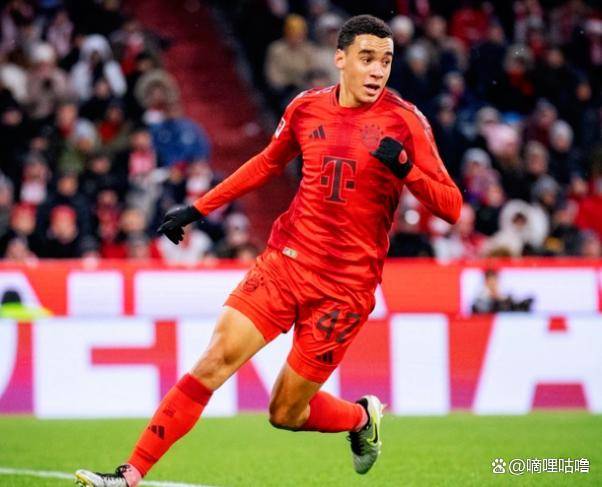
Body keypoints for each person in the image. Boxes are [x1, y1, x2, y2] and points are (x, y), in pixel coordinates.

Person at [75, 15, 462, 487]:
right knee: (214, 360)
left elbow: (452, 207)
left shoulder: (405, 121)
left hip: (345, 289)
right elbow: (265, 164)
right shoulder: (306, 108)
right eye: (367, 58)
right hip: (286, 262)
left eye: (386, 61)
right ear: (340, 59)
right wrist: (197, 209)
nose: (378, 70)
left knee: (285, 412)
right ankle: (130, 474)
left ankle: (361, 419)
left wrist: (406, 169)